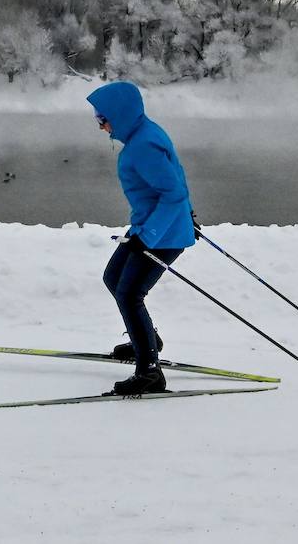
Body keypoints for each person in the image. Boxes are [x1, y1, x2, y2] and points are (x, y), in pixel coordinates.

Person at [86, 80, 197, 395]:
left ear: (120, 115)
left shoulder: (144, 144)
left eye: (103, 119)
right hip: (152, 228)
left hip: (161, 236)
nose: (100, 126)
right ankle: (146, 341)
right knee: (114, 278)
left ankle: (149, 372)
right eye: (97, 119)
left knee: (129, 293)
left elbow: (172, 191)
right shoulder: (144, 134)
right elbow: (176, 176)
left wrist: (150, 234)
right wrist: (187, 215)